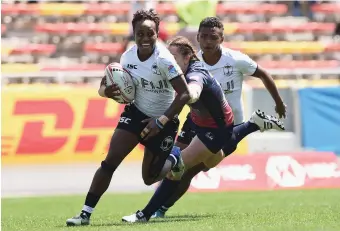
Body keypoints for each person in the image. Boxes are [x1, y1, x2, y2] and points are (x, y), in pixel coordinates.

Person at [121, 35, 285, 223]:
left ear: (187, 57)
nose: (168, 62)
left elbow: (194, 88)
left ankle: (144, 214)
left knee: (177, 166)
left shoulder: (195, 73)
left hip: (215, 130)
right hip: (201, 123)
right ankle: (253, 124)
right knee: (212, 162)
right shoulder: (177, 72)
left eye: (173, 58)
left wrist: (189, 94)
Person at [66, 9, 194, 226]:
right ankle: (85, 214)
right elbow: (105, 88)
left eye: (150, 33)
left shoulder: (164, 59)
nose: (145, 38)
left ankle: (174, 158)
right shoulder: (127, 57)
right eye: (140, 33)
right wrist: (107, 92)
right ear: (133, 33)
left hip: (164, 121)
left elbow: (185, 94)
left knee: (149, 178)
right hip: (135, 114)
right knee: (109, 162)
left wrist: (161, 121)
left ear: (157, 33)